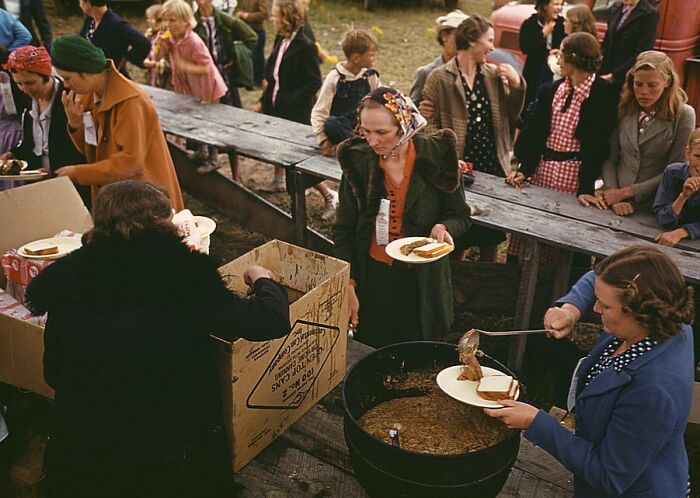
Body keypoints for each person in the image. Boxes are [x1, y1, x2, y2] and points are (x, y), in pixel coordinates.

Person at [25, 179, 291, 498]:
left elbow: (53, 373)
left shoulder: (70, 279)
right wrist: (264, 281)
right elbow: (269, 321)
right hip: (165, 462)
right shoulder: (183, 277)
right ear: (163, 223)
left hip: (83, 457)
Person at [486, 245, 695, 498]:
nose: (595, 310)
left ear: (639, 311)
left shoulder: (654, 391)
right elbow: (598, 278)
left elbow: (608, 475)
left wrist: (535, 422)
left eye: (605, 307)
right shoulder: (667, 316)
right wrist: (570, 309)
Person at [332, 87, 471, 348]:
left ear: (404, 124)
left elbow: (461, 215)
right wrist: (348, 283)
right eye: (366, 130)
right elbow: (343, 230)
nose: (373, 141)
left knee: (417, 351)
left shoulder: (438, 156)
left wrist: (444, 226)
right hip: (373, 276)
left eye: (382, 132)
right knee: (373, 349)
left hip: (421, 280)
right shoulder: (358, 161)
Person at [422, 14, 525, 262]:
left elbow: (513, 116)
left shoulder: (491, 74)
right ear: (470, 40)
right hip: (459, 168)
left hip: (491, 166)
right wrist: (448, 158)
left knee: (491, 234)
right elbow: (430, 127)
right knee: (459, 233)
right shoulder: (439, 77)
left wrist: (517, 85)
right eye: (488, 40)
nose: (492, 46)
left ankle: (486, 287)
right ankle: (456, 286)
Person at [50, 35, 185, 211]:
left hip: (146, 202)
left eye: (68, 78)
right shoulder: (87, 95)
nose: (66, 85)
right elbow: (93, 151)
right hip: (119, 200)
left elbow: (130, 164)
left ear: (86, 70)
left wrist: (78, 173)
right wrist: (75, 125)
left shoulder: (131, 101)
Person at [507, 33, 618, 208]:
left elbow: (598, 147)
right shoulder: (551, 90)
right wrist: (524, 169)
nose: (558, 62)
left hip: (574, 180)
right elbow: (535, 134)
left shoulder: (604, 95)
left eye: (560, 56)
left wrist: (585, 188)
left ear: (573, 57)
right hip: (541, 172)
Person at [601, 51, 695, 216]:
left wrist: (628, 192)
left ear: (666, 82)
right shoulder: (624, 107)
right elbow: (610, 157)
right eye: (638, 84)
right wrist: (613, 192)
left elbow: (676, 170)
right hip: (614, 201)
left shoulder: (683, 115)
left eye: (652, 85)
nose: (644, 92)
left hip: (655, 206)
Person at [1, 46, 90, 204]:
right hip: (40, 182)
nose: (25, 89)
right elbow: (31, 141)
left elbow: (82, 149)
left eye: (30, 83)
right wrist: (13, 154)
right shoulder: (29, 99)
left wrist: (54, 173)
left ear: (46, 74)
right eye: (19, 84)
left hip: (71, 185)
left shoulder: (70, 98)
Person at [310, 28, 379, 220]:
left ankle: (360, 145)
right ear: (356, 58)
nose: (375, 58)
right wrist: (323, 140)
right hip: (340, 126)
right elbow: (319, 112)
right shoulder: (336, 78)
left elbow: (375, 101)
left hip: (361, 126)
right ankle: (359, 147)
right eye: (371, 54)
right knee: (331, 123)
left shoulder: (370, 76)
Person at [255, 0, 321, 193]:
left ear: (286, 18)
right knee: (277, 144)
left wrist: (290, 100)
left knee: (295, 155)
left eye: (275, 15)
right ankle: (278, 180)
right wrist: (264, 98)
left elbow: (314, 81)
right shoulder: (281, 38)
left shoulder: (306, 45)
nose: (272, 18)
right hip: (277, 103)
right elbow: (274, 70)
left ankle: (327, 194)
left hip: (295, 109)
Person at [156, 0, 228, 175]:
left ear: (186, 22)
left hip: (207, 88)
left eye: (172, 20)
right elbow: (157, 56)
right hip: (189, 88)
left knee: (208, 123)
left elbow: (206, 67)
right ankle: (201, 150)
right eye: (166, 20)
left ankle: (213, 158)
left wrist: (185, 66)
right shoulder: (172, 39)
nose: (168, 25)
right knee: (195, 120)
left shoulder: (194, 41)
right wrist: (159, 44)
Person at [194, 0, 258, 108]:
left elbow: (251, 38)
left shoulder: (225, 20)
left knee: (229, 108)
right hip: (201, 74)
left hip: (224, 73)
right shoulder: (192, 22)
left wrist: (236, 55)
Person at [409, 9, 469, 106]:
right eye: (460, 35)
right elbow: (412, 112)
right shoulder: (426, 73)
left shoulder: (473, 72)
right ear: (444, 36)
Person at [78, 0, 150, 79]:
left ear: (88, 2)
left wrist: (126, 58)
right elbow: (79, 42)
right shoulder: (90, 20)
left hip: (111, 79)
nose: (79, 4)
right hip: (90, 76)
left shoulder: (116, 24)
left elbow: (143, 43)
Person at [653, 128, 700, 247]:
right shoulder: (673, 173)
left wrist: (682, 232)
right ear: (687, 154)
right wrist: (683, 196)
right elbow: (663, 219)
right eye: (698, 156)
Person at [599, 0, 659, 84]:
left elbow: (642, 53)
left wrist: (614, 75)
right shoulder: (615, 8)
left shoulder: (649, 14)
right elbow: (607, 41)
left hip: (626, 77)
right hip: (605, 72)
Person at [519, 0, 565, 109]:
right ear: (544, 5)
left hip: (555, 70)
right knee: (530, 102)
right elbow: (525, 47)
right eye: (555, 4)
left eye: (561, 4)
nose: (559, 8)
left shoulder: (562, 24)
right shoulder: (530, 23)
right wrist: (543, 33)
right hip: (534, 71)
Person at [547, 4, 597, 80]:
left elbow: (561, 69)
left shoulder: (575, 43)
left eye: (566, 21)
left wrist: (551, 59)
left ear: (575, 23)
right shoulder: (588, 42)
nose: (563, 23)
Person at [235, 0, 268, 87]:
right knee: (249, 56)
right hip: (248, 31)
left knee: (258, 56)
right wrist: (241, 14)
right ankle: (250, 79)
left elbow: (264, 14)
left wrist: (248, 16)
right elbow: (242, 10)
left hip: (258, 31)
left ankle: (259, 79)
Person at [142, 4, 171, 89]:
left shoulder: (165, 35)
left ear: (157, 19)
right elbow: (149, 51)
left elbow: (169, 60)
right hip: (152, 75)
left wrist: (155, 64)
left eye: (149, 18)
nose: (147, 20)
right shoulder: (151, 34)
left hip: (164, 79)